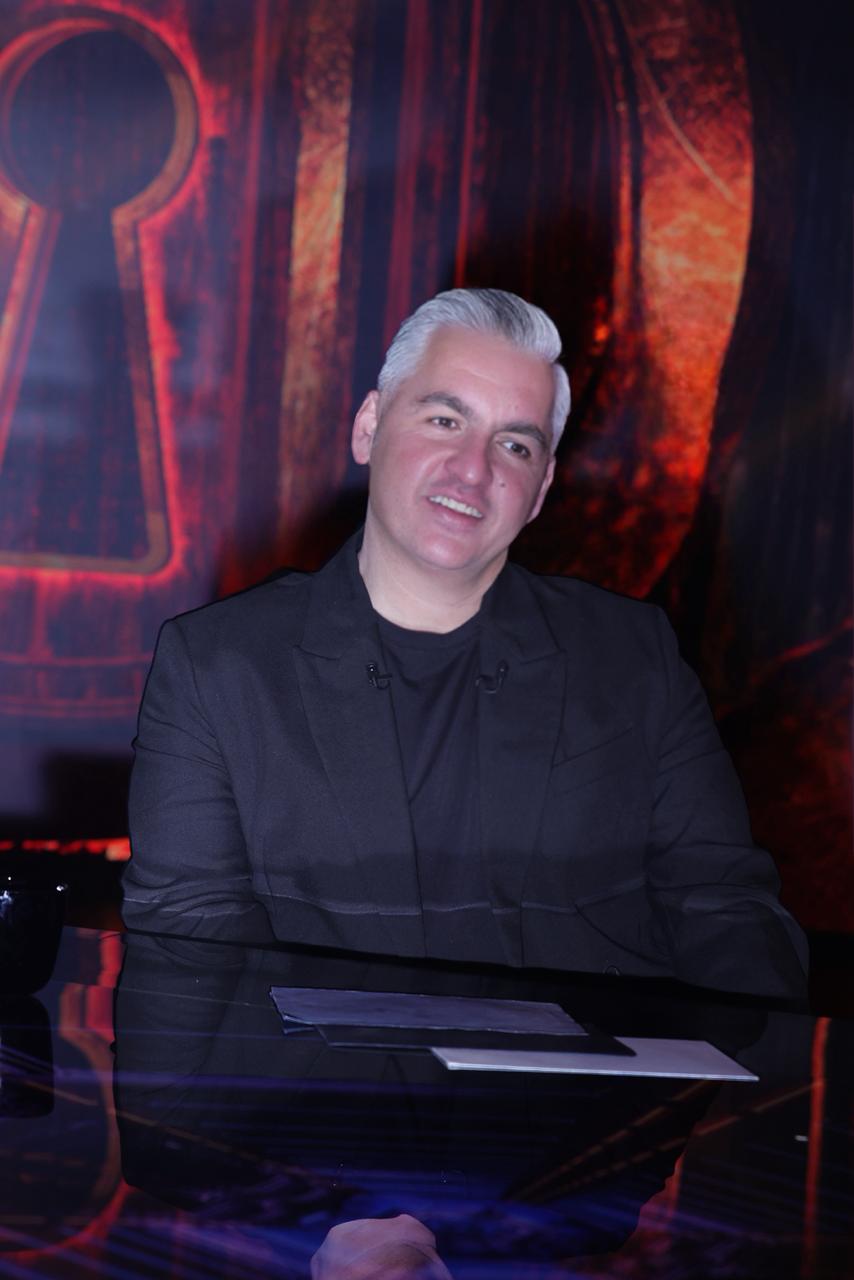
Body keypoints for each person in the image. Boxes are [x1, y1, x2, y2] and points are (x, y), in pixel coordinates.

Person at [123, 288, 807, 997]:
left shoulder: (634, 656)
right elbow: (188, 951)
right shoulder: (217, 668)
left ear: (541, 487)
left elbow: (727, 911)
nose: (474, 469)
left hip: (596, 1067)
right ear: (369, 428)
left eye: (515, 444)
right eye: (445, 420)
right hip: (323, 1068)